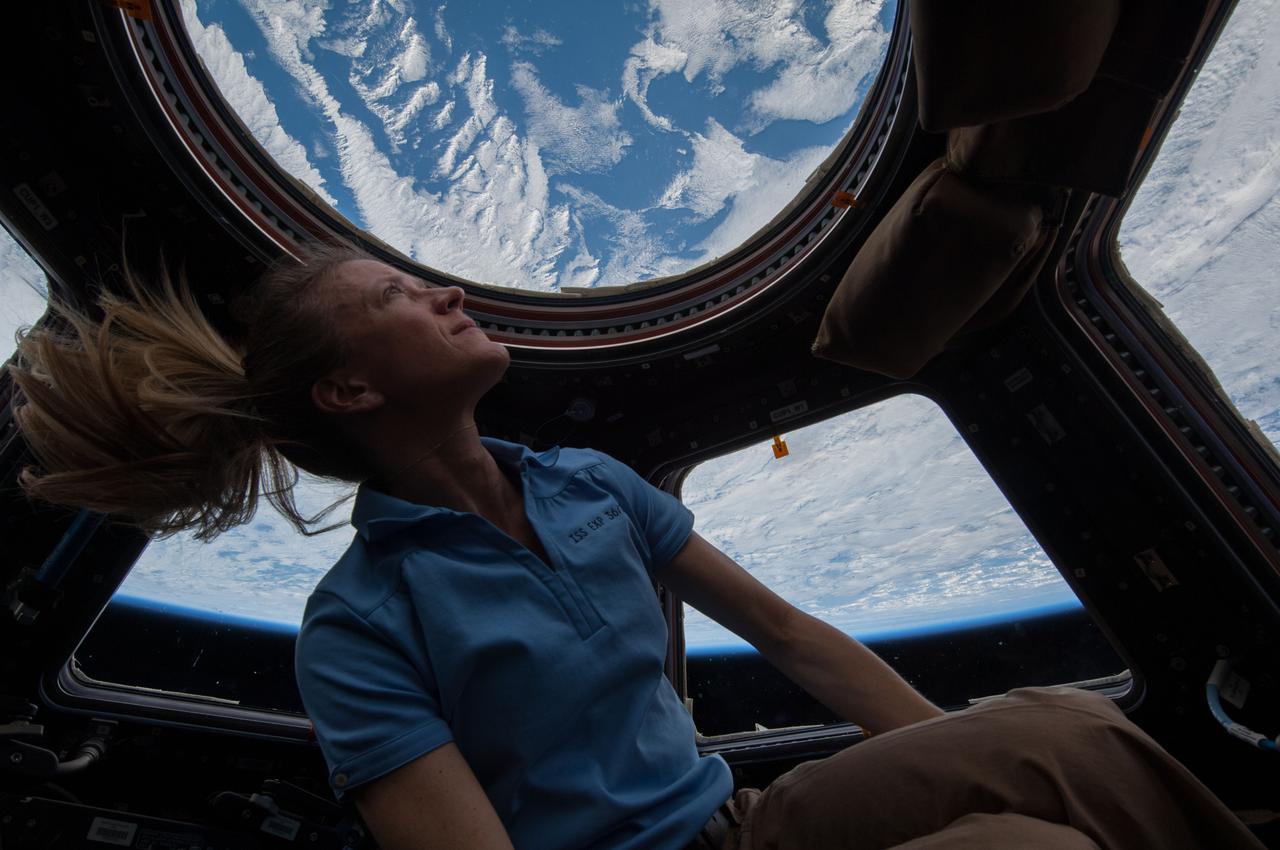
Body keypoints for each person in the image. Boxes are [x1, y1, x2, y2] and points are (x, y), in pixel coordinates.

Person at [8, 244, 1265, 850]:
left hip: (742, 823)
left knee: (1059, 731)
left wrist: (950, 764)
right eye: (396, 296)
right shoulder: (359, 621)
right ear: (348, 391)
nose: (445, 291)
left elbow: (789, 636)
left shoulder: (588, 483)